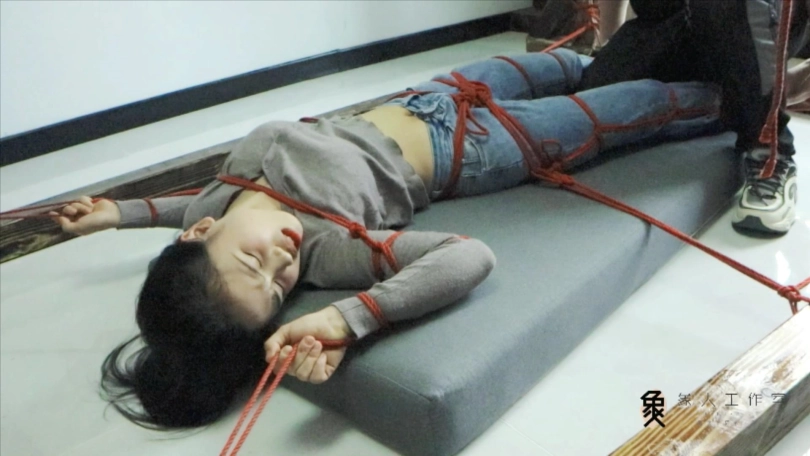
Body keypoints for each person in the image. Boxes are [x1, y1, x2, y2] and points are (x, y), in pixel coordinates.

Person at [53, 49, 723, 429]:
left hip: (430, 96)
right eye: (278, 287)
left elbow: (181, 210)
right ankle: (752, 93)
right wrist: (348, 319)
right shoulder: (325, 249)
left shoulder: (213, 203)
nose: (282, 261)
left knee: (577, 62)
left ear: (204, 231)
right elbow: (468, 256)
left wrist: (118, 212)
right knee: (653, 102)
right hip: (480, 145)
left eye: (255, 260)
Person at [577, 0, 808, 236]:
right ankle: (740, 98)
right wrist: (609, 42)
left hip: (752, 17)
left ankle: (770, 155)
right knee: (597, 90)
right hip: (680, 21)